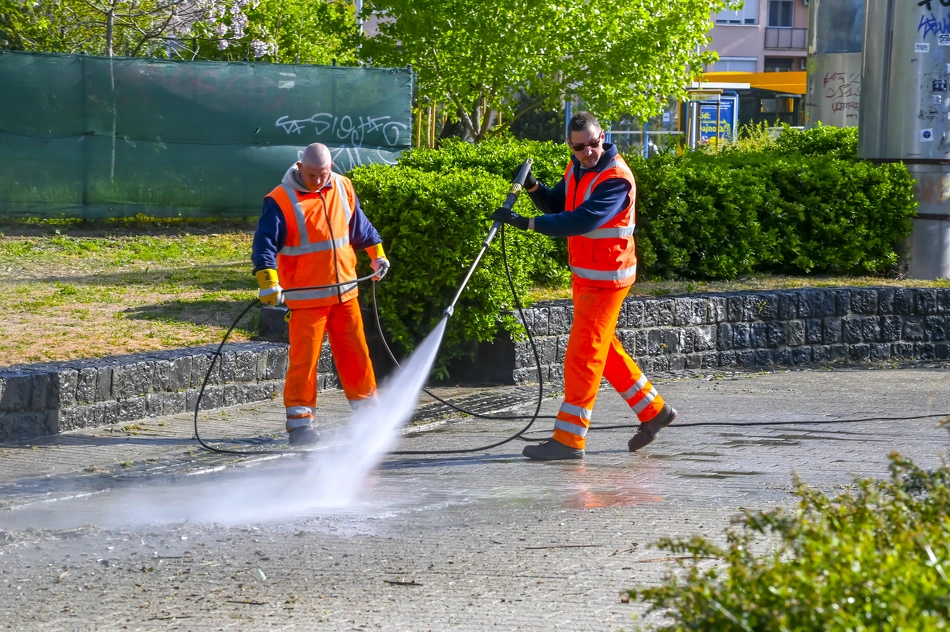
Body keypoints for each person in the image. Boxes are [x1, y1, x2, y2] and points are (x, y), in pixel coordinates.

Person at [490, 112, 676, 461]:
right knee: (601, 350)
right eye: (580, 147)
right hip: (588, 276)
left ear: (602, 136)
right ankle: (655, 411)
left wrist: (525, 223)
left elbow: (582, 219)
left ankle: (568, 440)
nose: (589, 151)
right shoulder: (578, 168)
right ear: (570, 146)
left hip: (608, 278)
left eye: (594, 143)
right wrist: (533, 187)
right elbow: (562, 204)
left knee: (582, 355)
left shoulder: (615, 178)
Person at [251, 143, 390, 446]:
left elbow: (360, 227)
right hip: (306, 299)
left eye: (323, 174)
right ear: (299, 167)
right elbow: (264, 245)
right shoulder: (280, 200)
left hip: (345, 294)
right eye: (312, 175)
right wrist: (267, 281)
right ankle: (301, 425)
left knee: (356, 355)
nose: (318, 181)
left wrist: (376, 255)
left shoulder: (342, 186)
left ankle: (368, 414)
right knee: (305, 360)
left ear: (332, 167)